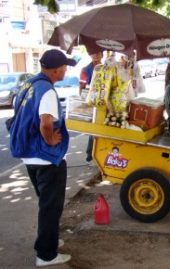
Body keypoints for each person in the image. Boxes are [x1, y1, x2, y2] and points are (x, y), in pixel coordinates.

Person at [9, 49, 76, 267]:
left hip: (30, 156)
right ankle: (46, 254)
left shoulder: (29, 84)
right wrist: (50, 141)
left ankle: (50, 240)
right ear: (56, 69)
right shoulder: (47, 91)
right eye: (65, 66)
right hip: (46, 159)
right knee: (50, 207)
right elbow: (46, 123)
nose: (66, 69)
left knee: (46, 204)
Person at [79, 51, 103, 162]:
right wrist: (83, 101)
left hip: (103, 101)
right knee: (93, 128)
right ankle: (90, 153)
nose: (96, 55)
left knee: (100, 128)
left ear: (102, 55)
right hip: (91, 101)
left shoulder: (107, 68)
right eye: (94, 53)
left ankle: (98, 152)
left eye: (98, 53)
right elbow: (82, 86)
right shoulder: (85, 70)